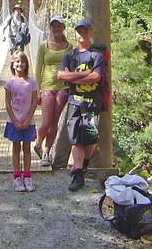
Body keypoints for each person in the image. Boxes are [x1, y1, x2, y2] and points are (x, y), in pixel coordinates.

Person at [57, 18, 105, 191]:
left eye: (85, 31)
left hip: (92, 103)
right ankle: (78, 174)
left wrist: (73, 77)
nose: (82, 34)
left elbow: (96, 77)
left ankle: (83, 165)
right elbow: (61, 76)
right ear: (75, 34)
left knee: (91, 138)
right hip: (74, 102)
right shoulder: (69, 56)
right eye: (79, 32)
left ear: (90, 33)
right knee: (75, 137)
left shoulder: (97, 56)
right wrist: (85, 73)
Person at [34, 14, 73, 167]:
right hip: (47, 86)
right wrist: (36, 91)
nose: (56, 28)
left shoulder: (69, 46)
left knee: (54, 123)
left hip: (63, 87)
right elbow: (38, 69)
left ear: (63, 27)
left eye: (59, 25)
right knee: (46, 122)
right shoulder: (44, 45)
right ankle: (37, 144)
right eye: (53, 26)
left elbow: (72, 66)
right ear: (50, 28)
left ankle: (46, 152)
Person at [4, 51, 38, 192]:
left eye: (22, 61)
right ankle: (17, 177)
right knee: (16, 148)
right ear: (13, 64)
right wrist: (15, 121)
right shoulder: (10, 83)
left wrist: (28, 119)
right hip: (14, 122)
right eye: (17, 61)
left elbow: (35, 101)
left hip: (28, 122)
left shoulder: (32, 82)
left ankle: (28, 176)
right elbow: (7, 104)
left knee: (27, 149)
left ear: (26, 64)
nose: (20, 64)